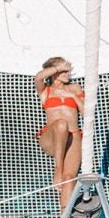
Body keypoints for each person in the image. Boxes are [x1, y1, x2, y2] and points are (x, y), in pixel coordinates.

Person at [34, 56, 85, 209]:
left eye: (68, 70)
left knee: (69, 178)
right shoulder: (45, 91)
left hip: (73, 136)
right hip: (51, 137)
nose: (67, 72)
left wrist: (73, 96)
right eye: (64, 70)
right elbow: (38, 77)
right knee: (61, 124)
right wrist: (59, 67)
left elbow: (86, 113)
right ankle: (58, 168)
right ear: (53, 72)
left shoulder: (75, 88)